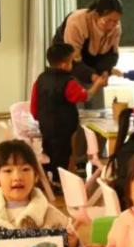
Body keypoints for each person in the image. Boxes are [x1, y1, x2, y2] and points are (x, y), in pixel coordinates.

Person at [30, 42, 107, 182]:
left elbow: (34, 104)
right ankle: (60, 182)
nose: (73, 65)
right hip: (63, 128)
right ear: (64, 65)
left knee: (48, 152)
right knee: (63, 156)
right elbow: (86, 96)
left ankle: (49, 179)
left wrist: (39, 118)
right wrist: (97, 84)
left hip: (45, 125)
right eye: (72, 61)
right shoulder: (68, 82)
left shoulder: (41, 78)